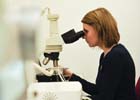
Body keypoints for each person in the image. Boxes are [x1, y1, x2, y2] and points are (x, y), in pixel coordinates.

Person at [63, 7, 137, 100]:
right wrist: (72, 77)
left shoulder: (116, 56)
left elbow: (105, 98)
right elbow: (99, 90)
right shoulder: (106, 55)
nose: (83, 37)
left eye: (86, 31)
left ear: (100, 30)